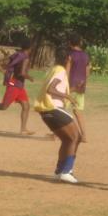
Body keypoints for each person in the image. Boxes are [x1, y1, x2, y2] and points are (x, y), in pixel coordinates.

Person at [34, 49, 81, 184]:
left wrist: (72, 90)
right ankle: (66, 171)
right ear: (68, 59)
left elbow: (54, 89)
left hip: (46, 111)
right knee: (76, 137)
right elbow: (51, 89)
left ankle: (59, 171)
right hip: (53, 109)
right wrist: (68, 96)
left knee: (67, 140)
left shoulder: (54, 70)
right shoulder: (61, 70)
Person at [0, 39, 35, 135]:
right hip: (14, 84)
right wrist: (30, 78)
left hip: (18, 85)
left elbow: (5, 62)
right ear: (30, 48)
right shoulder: (25, 57)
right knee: (4, 106)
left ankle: (23, 129)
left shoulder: (17, 54)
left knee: (26, 106)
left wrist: (5, 71)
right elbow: (22, 73)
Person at [65, 33, 91, 142]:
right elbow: (87, 72)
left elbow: (67, 71)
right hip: (81, 87)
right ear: (80, 43)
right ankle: (84, 136)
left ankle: (56, 134)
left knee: (62, 110)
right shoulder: (86, 55)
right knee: (78, 112)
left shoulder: (70, 55)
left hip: (70, 87)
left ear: (70, 43)